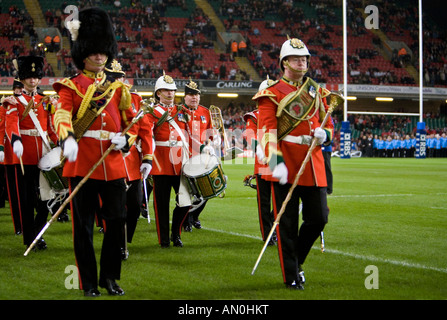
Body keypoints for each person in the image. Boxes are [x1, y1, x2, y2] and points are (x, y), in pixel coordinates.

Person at [52, 7, 138, 297]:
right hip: (82, 162)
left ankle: (110, 277)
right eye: (94, 51)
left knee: (116, 223)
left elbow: (132, 124)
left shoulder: (117, 89)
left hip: (112, 163)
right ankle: (88, 282)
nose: (100, 56)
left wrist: (125, 140)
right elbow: (61, 116)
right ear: (82, 53)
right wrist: (68, 139)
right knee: (84, 228)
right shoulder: (71, 87)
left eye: (103, 51)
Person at [255, 37, 335, 290]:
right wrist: (275, 161)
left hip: (312, 163)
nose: (302, 63)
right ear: (284, 63)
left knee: (319, 218)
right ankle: (291, 275)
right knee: (287, 225)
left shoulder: (317, 91)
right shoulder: (272, 93)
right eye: (296, 59)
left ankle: (296, 260)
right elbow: (266, 132)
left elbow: (328, 124)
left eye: (305, 59)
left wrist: (326, 135)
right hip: (285, 163)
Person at [4, 56, 58, 250]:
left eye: (35, 77)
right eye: (29, 77)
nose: (33, 80)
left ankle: (37, 231)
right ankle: (30, 238)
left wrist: (61, 141)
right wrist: (16, 139)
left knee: (46, 198)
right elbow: (11, 123)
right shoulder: (14, 101)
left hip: (43, 155)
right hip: (24, 155)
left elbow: (50, 127)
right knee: (26, 200)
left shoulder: (45, 101)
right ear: (23, 79)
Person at [104, 60, 154, 259]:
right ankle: (119, 245)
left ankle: (125, 239)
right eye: (113, 78)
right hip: (109, 160)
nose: (118, 81)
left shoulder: (135, 99)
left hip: (132, 162)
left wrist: (148, 158)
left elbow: (145, 131)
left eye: (120, 77)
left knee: (134, 206)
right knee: (114, 208)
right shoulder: (98, 99)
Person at [147, 72, 190, 248]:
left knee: (186, 202)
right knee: (161, 205)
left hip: (180, 162)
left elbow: (189, 135)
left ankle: (176, 233)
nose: (170, 93)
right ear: (158, 93)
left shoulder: (182, 111)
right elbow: (147, 134)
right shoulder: (151, 112)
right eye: (166, 90)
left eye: (172, 90)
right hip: (161, 162)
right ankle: (164, 238)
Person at [181, 79, 217, 231]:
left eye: (196, 95)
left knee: (207, 189)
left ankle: (195, 216)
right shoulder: (179, 111)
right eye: (190, 94)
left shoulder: (205, 112)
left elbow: (210, 132)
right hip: (184, 156)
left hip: (203, 158)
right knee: (188, 192)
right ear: (185, 97)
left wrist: (213, 141)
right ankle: (186, 220)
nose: (194, 97)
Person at [245, 76, 277, 245]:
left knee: (281, 200)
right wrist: (258, 149)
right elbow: (250, 135)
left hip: (280, 161)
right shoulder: (254, 116)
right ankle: (267, 235)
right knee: (264, 202)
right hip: (263, 163)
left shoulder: (282, 114)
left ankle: (274, 227)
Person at [1, 79, 23, 235]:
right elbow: (2, 127)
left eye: (20, 88)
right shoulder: (7, 104)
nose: (18, 91)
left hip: (27, 152)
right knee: (15, 193)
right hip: (11, 152)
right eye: (16, 88)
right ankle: (19, 227)